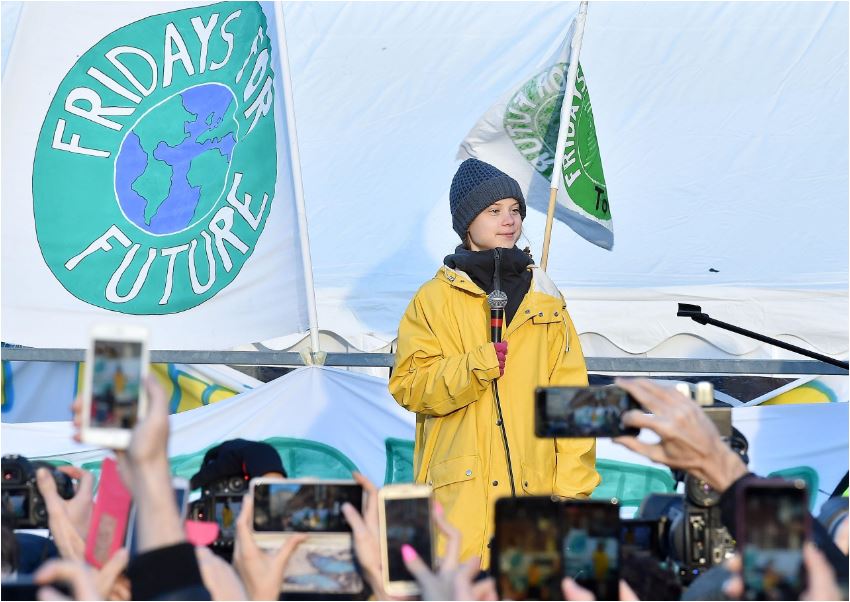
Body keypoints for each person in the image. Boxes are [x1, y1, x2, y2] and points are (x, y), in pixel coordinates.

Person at [389, 158, 599, 565]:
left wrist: (572, 494)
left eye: (515, 210)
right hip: (459, 512)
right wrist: (476, 365)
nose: (509, 220)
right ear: (467, 223)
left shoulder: (547, 300)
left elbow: (575, 406)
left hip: (534, 509)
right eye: (494, 210)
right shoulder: (433, 299)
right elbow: (409, 385)